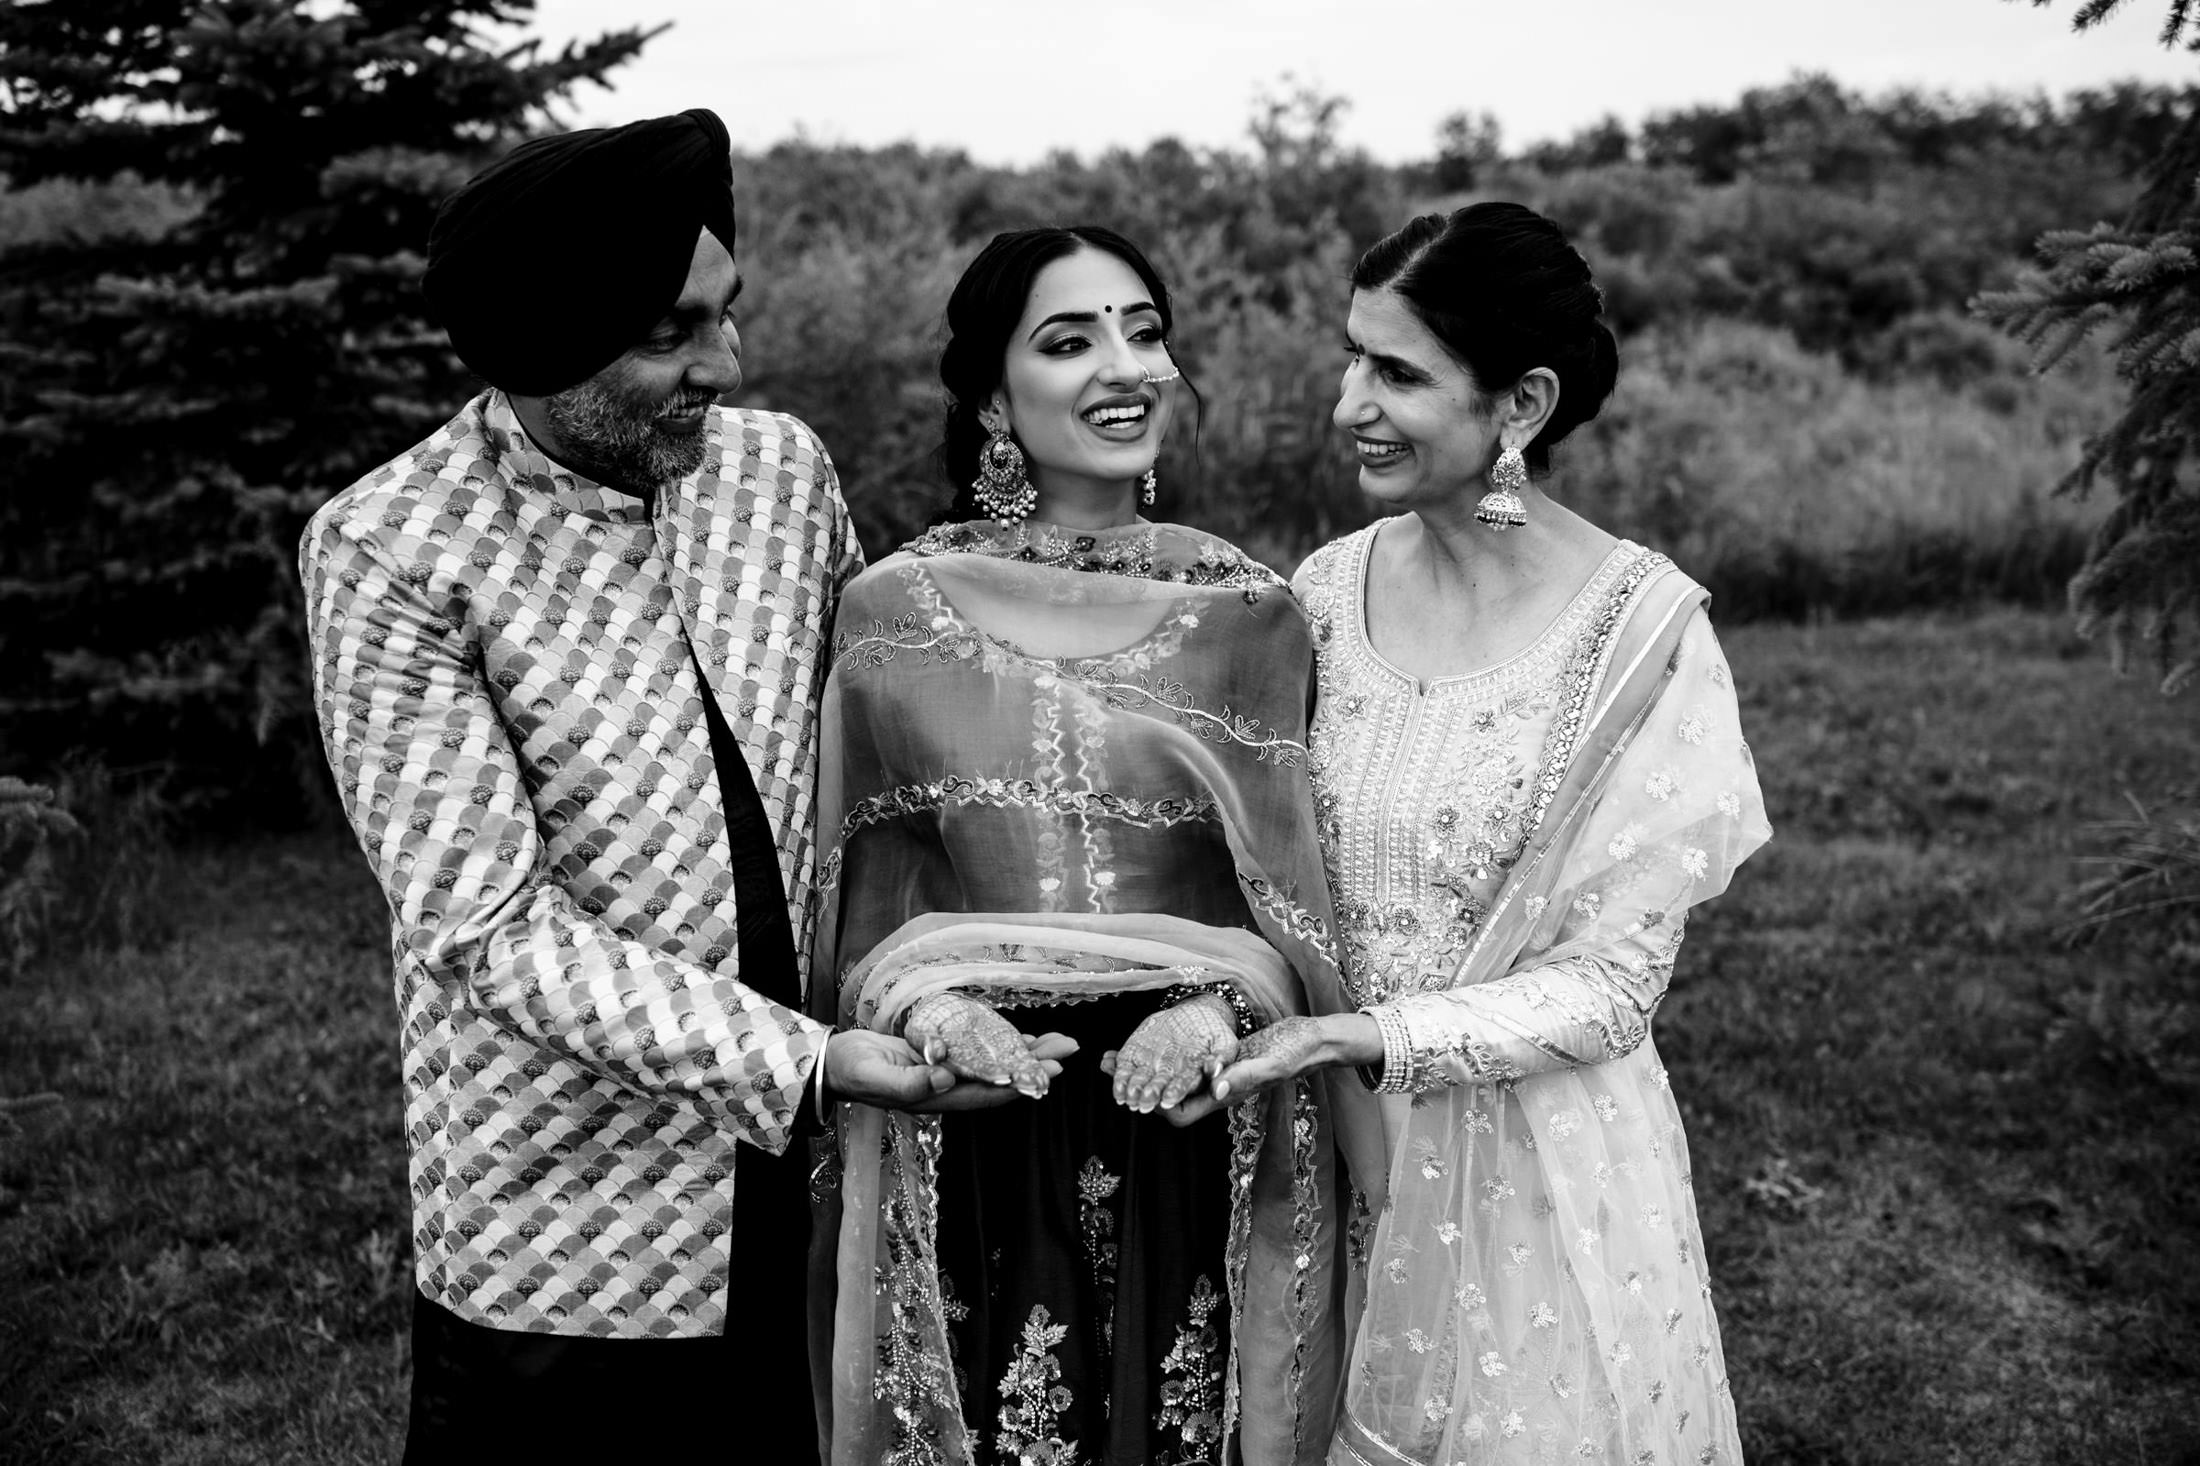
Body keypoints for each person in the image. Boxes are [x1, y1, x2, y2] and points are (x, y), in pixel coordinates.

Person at [298, 109, 1059, 1462]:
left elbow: (875, 766)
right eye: (672, 333)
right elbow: (486, 929)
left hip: (827, 1158)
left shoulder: (779, 472)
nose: (727, 360)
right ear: (541, 346)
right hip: (575, 1224)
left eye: (726, 310)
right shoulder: (391, 548)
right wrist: (805, 1061)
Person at [1176, 203, 1774, 1463]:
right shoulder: (1325, 591)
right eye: (1353, 357)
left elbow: (1614, 987)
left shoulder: (1639, 634)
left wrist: (1372, 1036)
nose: (1348, 403)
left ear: (1522, 402)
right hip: (1333, 1153)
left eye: (1397, 373)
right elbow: (1268, 870)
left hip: (1533, 1178)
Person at [807, 226, 1354, 1466]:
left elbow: (1296, 908)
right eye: (1069, 341)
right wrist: (936, 1012)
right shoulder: (893, 614)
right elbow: (861, 900)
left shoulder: (1250, 614)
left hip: (1192, 1119)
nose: (1126, 365)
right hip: (971, 1115)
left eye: (1144, 330)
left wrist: (1217, 1010)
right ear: (993, 402)